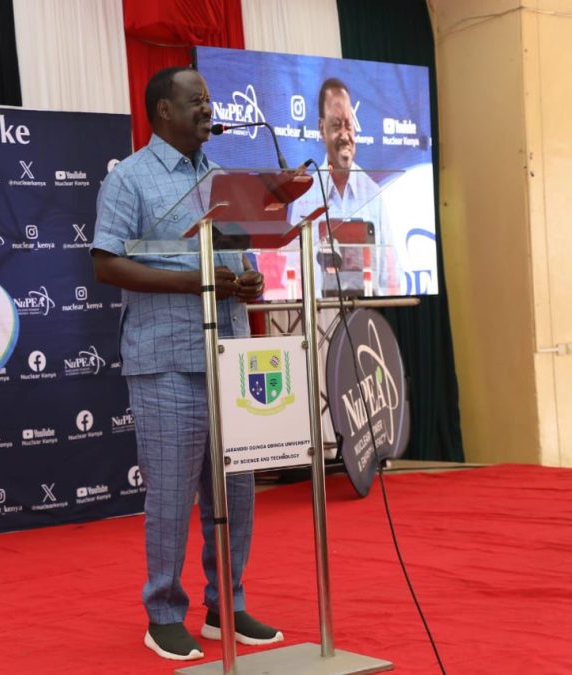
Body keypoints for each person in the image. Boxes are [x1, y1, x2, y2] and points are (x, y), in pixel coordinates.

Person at [91, 66, 283, 661]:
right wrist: (197, 282)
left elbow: (237, 253)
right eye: (195, 101)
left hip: (228, 357)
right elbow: (106, 264)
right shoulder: (131, 180)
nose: (207, 109)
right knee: (172, 493)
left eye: (208, 100)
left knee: (237, 491)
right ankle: (163, 613)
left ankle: (227, 602)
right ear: (162, 111)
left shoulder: (223, 179)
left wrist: (245, 281)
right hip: (165, 358)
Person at [288, 77, 396, 296]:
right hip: (320, 321)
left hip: (366, 318)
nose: (345, 135)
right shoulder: (304, 197)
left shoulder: (373, 195)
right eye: (337, 125)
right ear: (321, 128)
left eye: (349, 125)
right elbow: (293, 275)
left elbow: (391, 278)